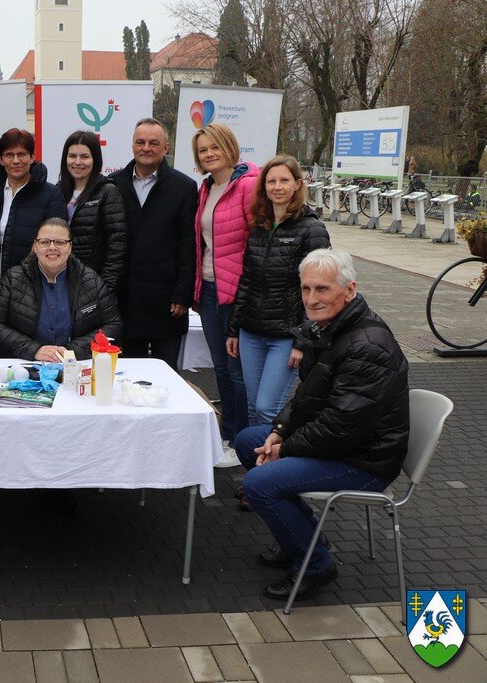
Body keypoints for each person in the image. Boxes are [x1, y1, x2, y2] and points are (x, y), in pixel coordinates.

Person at [234, 249, 409, 601]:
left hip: (364, 461)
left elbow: (340, 427)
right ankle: (304, 534)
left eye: (322, 289)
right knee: (247, 440)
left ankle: (315, 564)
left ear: (349, 290)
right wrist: (278, 431)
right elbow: (306, 398)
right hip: (345, 444)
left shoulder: (367, 346)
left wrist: (284, 449)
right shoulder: (330, 327)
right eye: (306, 289)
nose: (312, 299)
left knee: (259, 484)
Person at [227, 155, 331, 445]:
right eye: (271, 181)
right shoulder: (258, 226)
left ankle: (271, 469)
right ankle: (255, 473)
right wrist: (234, 328)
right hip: (251, 331)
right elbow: (246, 280)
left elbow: (319, 292)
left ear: (298, 184)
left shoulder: (312, 230)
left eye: (284, 180)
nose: (277, 186)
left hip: (285, 336)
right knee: (251, 407)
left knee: (267, 408)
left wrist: (304, 340)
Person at [191, 124, 260, 466]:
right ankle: (227, 433)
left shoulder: (248, 185)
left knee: (237, 371)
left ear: (229, 147)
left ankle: (242, 439)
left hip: (235, 293)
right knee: (220, 367)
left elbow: (257, 243)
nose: (209, 154)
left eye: (214, 147)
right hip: (208, 290)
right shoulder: (206, 188)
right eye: (203, 150)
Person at [110, 118, 198, 368]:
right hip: (125, 301)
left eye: (153, 142)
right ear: (132, 146)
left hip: (167, 302)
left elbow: (187, 245)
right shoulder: (113, 184)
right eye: (140, 142)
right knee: (126, 376)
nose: (146, 147)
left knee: (167, 376)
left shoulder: (183, 187)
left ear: (166, 147)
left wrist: (183, 294)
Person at [0, 218, 123, 360]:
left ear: (70, 247)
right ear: (35, 246)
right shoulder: (13, 279)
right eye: (44, 242)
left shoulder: (91, 280)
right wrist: (33, 349)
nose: (52, 247)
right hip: (23, 366)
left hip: (75, 368)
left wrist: (71, 350)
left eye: (60, 242)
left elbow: (113, 324)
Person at [0, 128, 66, 299]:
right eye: (8, 155)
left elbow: (57, 246)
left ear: (32, 157)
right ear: (0, 159)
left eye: (22, 154)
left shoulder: (51, 195)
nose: (16, 161)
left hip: (34, 289)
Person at [57, 131, 127, 292]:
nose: (78, 162)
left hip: (94, 287)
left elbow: (117, 246)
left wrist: (105, 289)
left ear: (95, 159)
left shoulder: (108, 192)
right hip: (60, 284)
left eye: (85, 156)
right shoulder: (57, 191)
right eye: (72, 156)